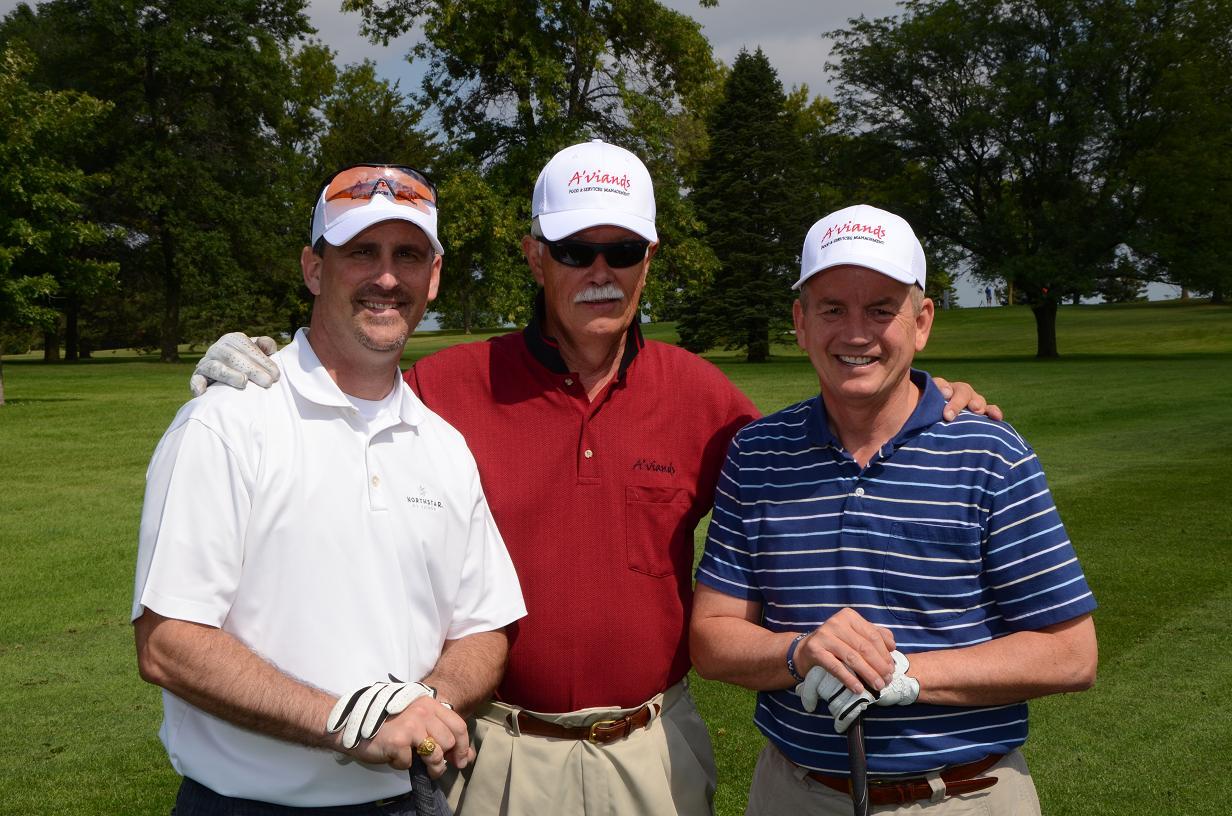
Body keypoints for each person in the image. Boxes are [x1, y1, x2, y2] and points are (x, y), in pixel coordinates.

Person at [189, 144, 1000, 815]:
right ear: (535, 256)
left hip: (650, 750)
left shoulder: (701, 395)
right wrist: (265, 359)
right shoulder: (448, 386)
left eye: (623, 251)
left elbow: (811, 462)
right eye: (577, 251)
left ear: (651, 259)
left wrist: (932, 398)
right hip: (490, 749)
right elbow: (343, 404)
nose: (601, 272)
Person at [133, 163, 526, 815]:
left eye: (409, 255)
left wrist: (426, 706)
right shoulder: (228, 420)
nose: (386, 278)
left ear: (434, 276)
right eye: (361, 252)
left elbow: (485, 625)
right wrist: (348, 720)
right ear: (314, 268)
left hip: (409, 801)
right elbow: (168, 641)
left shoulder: (442, 445)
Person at [690, 204, 1097, 815]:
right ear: (800, 323)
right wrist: (799, 653)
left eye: (882, 309)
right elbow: (712, 637)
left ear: (922, 321)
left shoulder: (988, 452)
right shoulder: (758, 453)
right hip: (795, 793)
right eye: (832, 309)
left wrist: (901, 674)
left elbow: (1071, 654)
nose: (856, 333)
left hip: (964, 794)